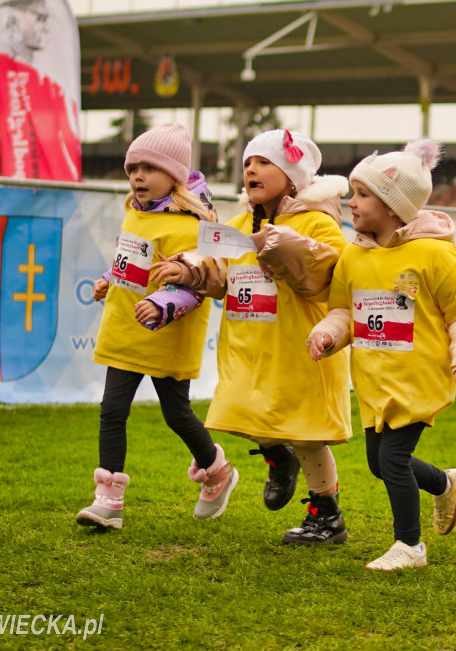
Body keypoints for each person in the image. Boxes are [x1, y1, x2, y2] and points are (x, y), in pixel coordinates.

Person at [151, 129, 352, 544]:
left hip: (297, 345)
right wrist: (189, 269)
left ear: (293, 175)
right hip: (247, 342)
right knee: (245, 409)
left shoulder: (318, 221)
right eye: (247, 163)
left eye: (264, 162)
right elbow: (220, 272)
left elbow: (325, 275)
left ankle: (326, 515)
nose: (251, 170)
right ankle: (279, 456)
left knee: (305, 431)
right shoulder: (241, 222)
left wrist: (281, 245)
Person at [308, 139, 456, 571]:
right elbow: (343, 311)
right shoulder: (354, 254)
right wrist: (329, 334)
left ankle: (410, 546)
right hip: (374, 379)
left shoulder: (433, 253)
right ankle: (445, 483)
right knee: (379, 464)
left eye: (363, 194)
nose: (351, 202)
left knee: (392, 460)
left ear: (393, 206)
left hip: (418, 376)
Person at [77, 123, 237, 530]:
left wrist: (161, 304)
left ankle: (216, 470)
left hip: (166, 335)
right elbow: (129, 261)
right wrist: (108, 280)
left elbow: (194, 284)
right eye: (133, 168)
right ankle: (108, 498)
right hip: (125, 331)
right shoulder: (134, 213)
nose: (138, 176)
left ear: (175, 176)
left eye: (149, 168)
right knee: (112, 409)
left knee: (177, 414)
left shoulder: (190, 226)